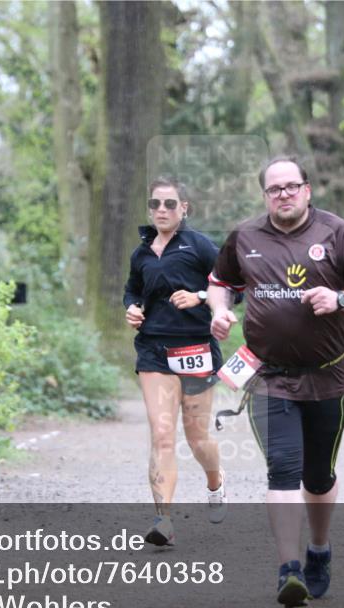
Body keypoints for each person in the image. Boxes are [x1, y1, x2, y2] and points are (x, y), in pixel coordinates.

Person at [207, 156, 344, 607]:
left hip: (327, 379)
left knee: (318, 477)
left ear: (307, 190)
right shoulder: (245, 237)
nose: (283, 195)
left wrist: (341, 297)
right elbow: (218, 282)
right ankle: (289, 569)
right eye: (274, 189)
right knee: (282, 470)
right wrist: (220, 310)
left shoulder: (336, 234)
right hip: (268, 378)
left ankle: (319, 550)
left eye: (291, 187)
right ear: (265, 195)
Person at [124, 177, 227, 547]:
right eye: (155, 204)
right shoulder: (142, 253)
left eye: (170, 204)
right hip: (154, 350)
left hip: (196, 348)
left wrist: (200, 296)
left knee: (197, 438)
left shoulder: (198, 245)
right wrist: (132, 308)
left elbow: (229, 286)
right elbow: (133, 289)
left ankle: (215, 484)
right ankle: (163, 520)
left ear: (185, 208)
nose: (161, 210)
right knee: (162, 434)